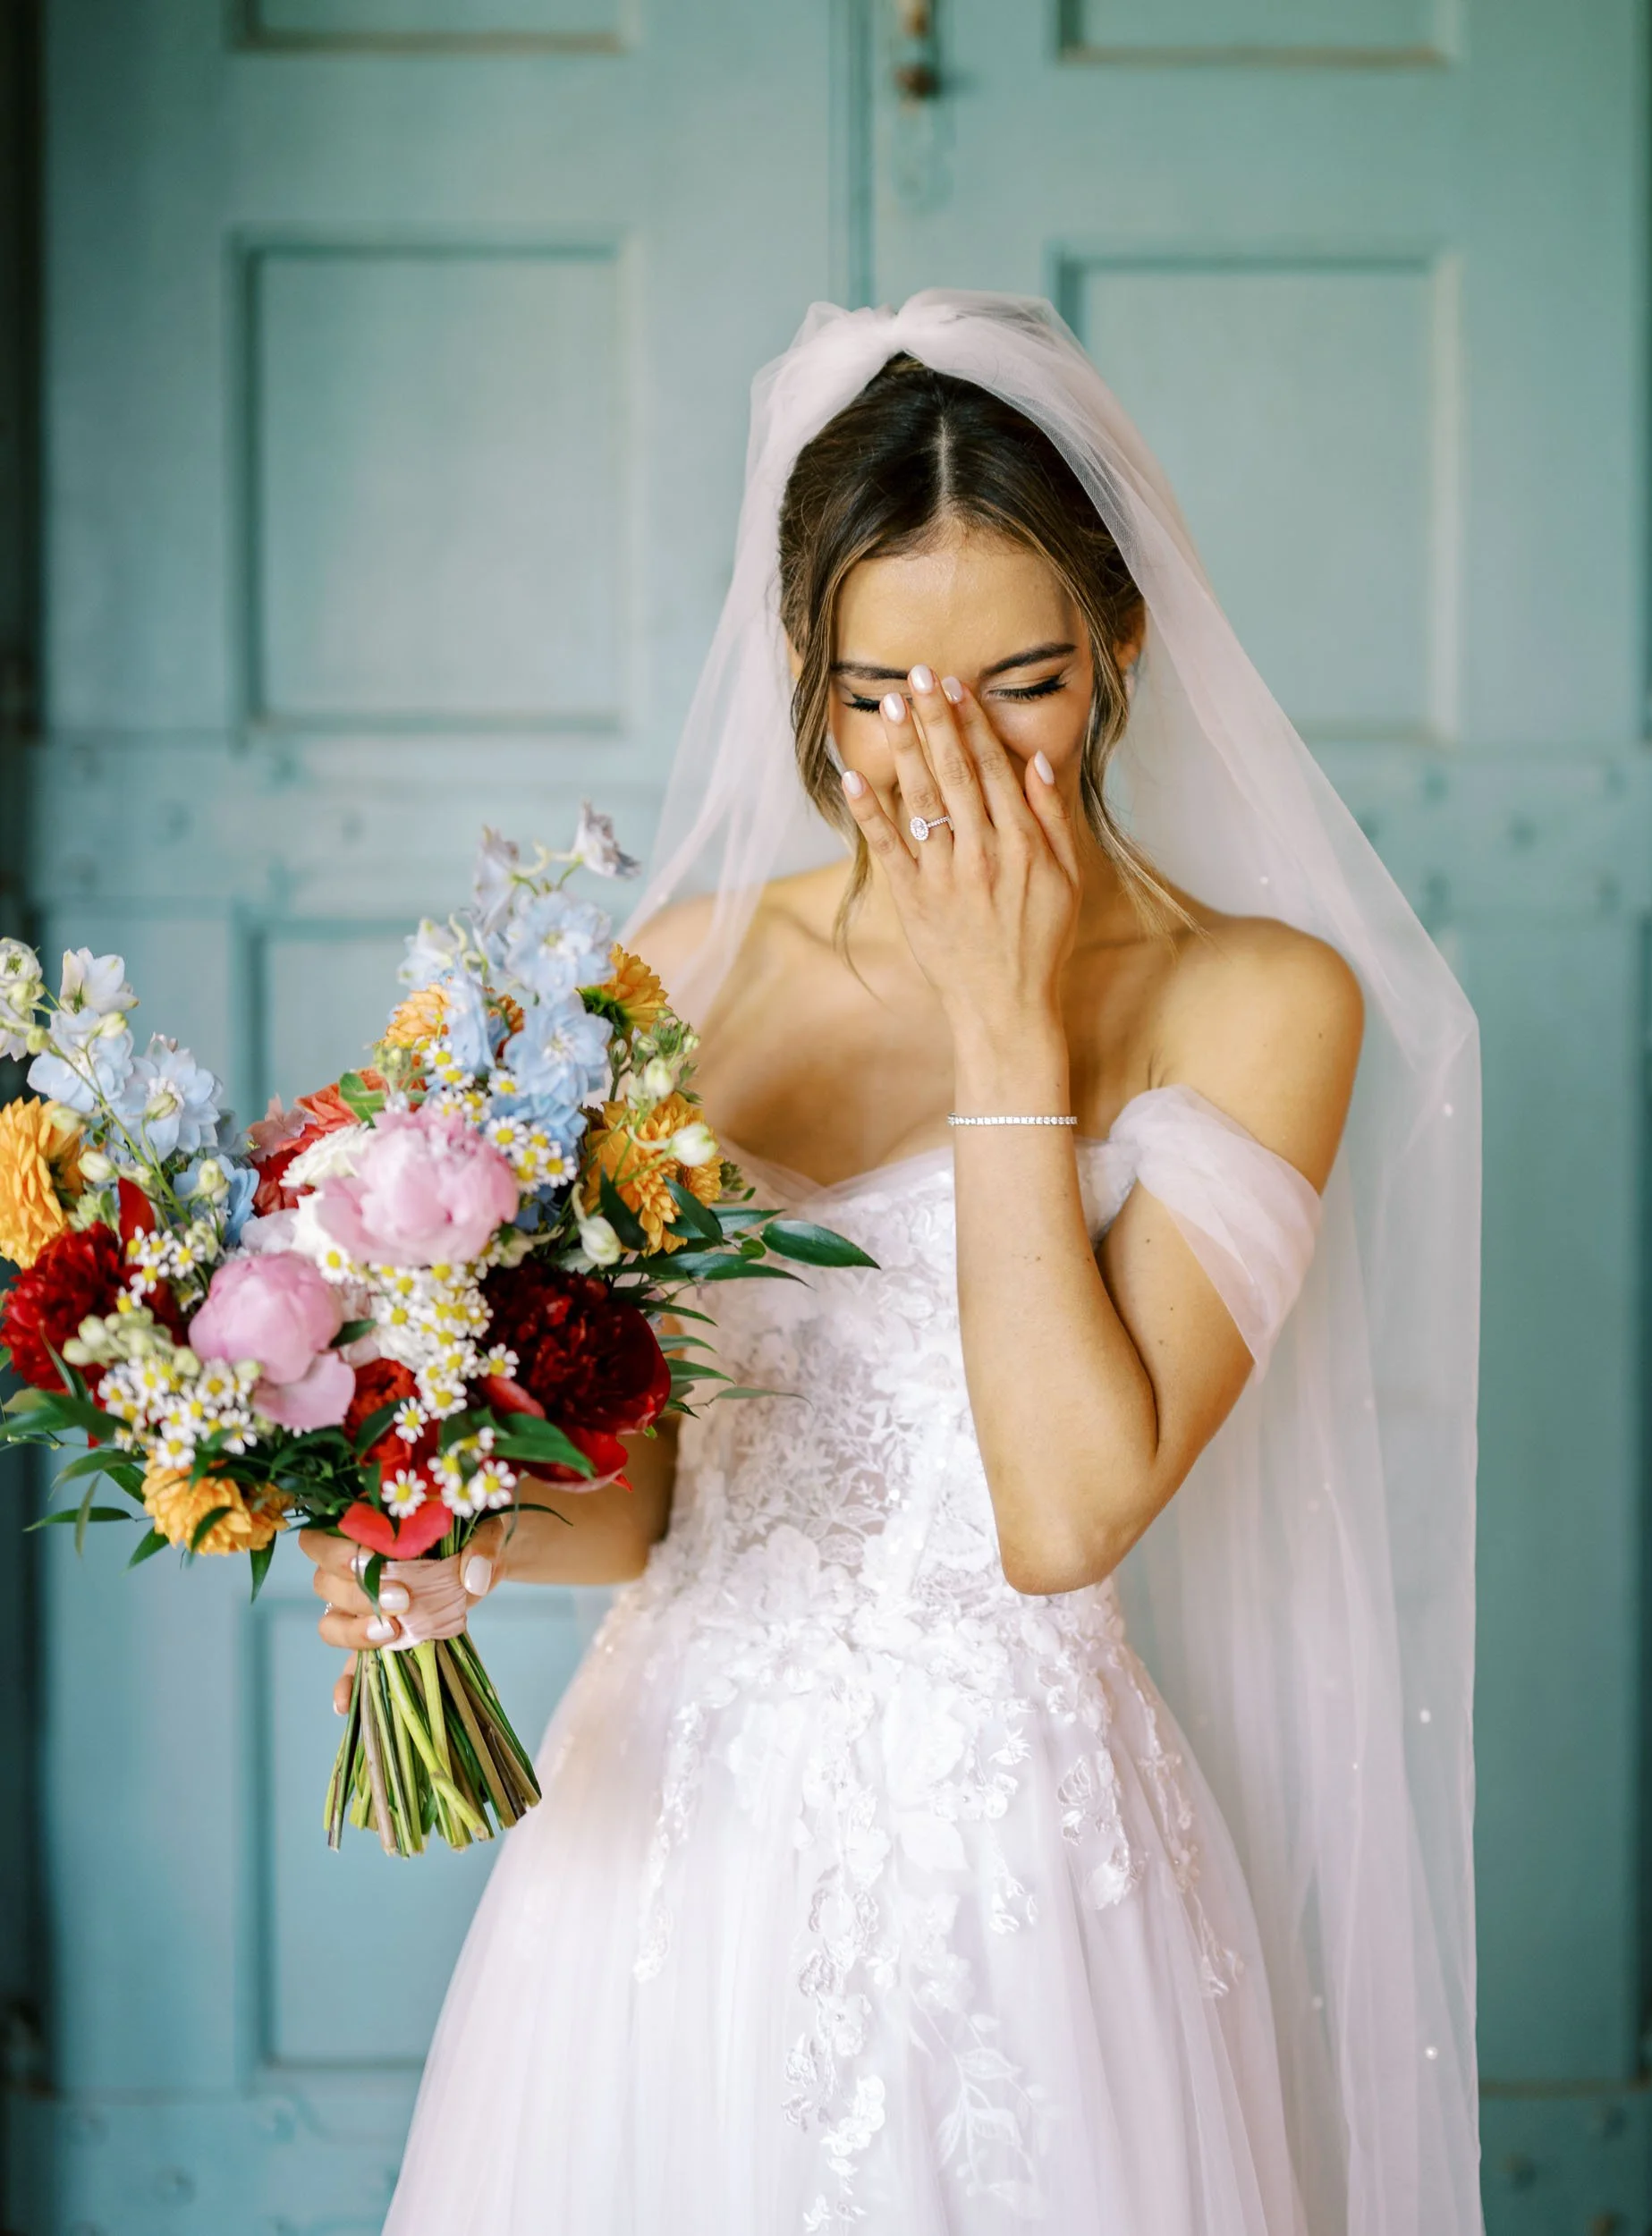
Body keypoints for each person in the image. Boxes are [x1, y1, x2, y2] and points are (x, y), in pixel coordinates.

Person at [302, 293, 1481, 2234]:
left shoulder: (1258, 999)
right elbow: (652, 1504)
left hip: (1018, 1861)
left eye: (1016, 680)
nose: (941, 758)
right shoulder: (682, 975)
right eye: (875, 694)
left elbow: (1063, 1512)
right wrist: (448, 1524)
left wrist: (1006, 1022)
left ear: (1118, 648)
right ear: (800, 672)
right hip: (665, 1845)